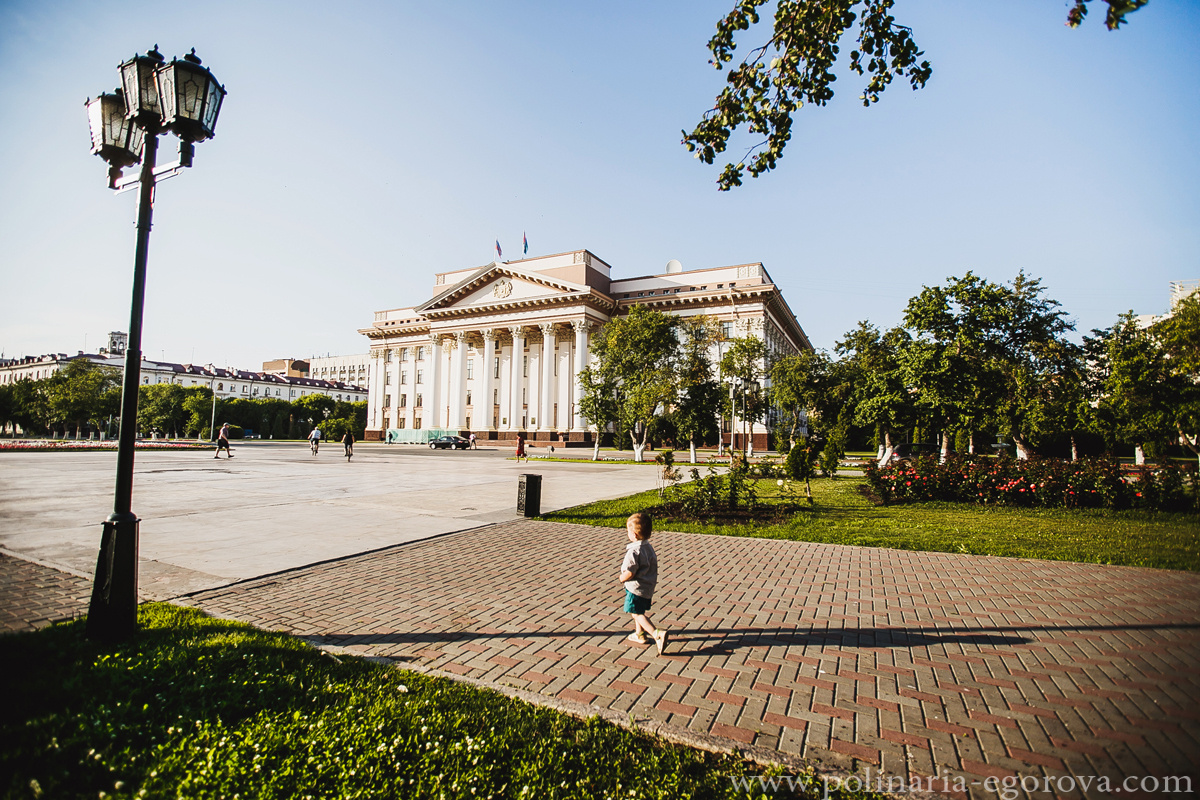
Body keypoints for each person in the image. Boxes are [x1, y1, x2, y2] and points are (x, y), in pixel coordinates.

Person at [620, 511, 666, 655]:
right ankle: (640, 634)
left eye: (628, 531)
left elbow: (630, 572)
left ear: (634, 534)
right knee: (639, 610)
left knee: (635, 613)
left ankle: (656, 633)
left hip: (635, 588)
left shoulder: (634, 551)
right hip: (647, 587)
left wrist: (622, 578)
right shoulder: (648, 547)